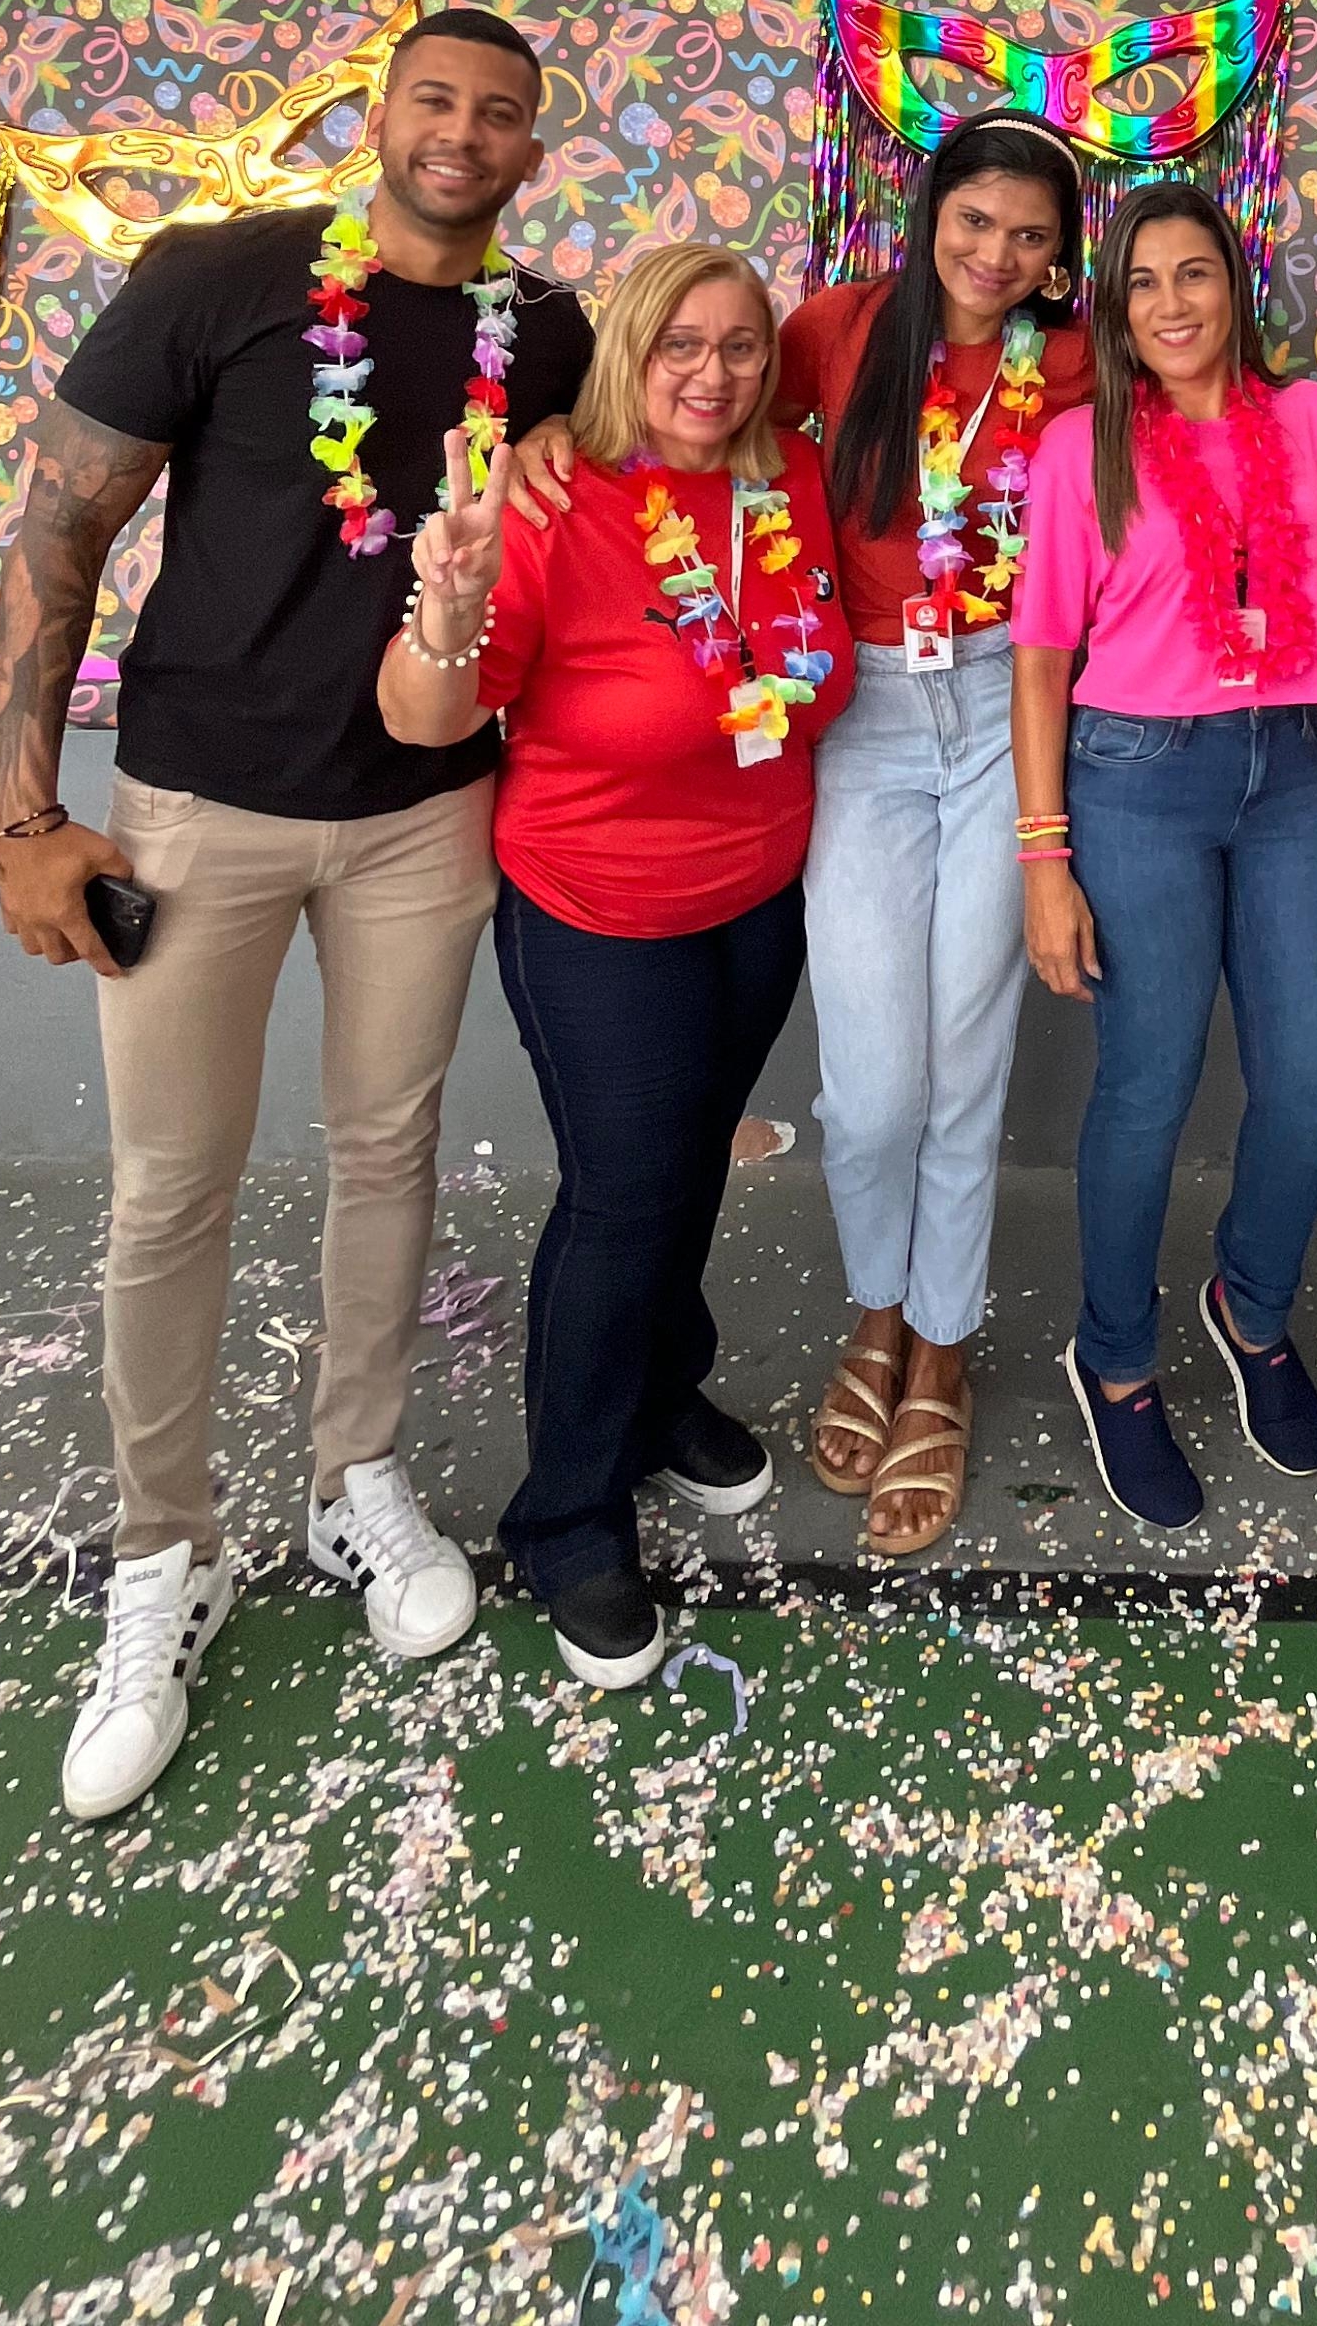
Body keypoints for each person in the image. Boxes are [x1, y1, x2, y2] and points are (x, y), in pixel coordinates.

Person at [0, 7, 596, 1822]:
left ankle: (355, 1480)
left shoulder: (549, 336)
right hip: (200, 807)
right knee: (170, 1188)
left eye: (499, 113)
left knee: (388, 1147)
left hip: (428, 811)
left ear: (532, 150)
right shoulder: (220, 278)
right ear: (381, 116)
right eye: (434, 99)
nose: (461, 133)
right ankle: (163, 1552)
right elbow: (60, 534)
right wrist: (24, 813)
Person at [380, 241, 852, 1691]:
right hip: (597, 907)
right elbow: (422, 718)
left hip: (755, 898)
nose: (712, 374)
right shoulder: (549, 501)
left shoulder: (791, 479)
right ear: (628, 355)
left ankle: (657, 1393)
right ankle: (567, 1515)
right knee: (624, 1193)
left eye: (741, 346)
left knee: (690, 1169)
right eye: (678, 347)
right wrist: (446, 607)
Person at [1011, 180, 1317, 1532]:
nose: (1173, 303)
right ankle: (1116, 1358)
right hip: (1135, 779)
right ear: (1115, 311)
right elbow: (1043, 660)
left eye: (1195, 273)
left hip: (1293, 767)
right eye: (1143, 282)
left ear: (1236, 286)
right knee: (1148, 1084)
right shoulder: (1082, 448)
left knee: (1307, 1077)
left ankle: (1253, 1304)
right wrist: (1044, 859)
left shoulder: (1313, 423)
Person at [772, 113, 1092, 1561]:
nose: (997, 256)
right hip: (864, 714)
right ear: (929, 216)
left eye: (1030, 237)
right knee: (872, 1086)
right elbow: (692, 409)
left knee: (966, 1060)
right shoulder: (838, 330)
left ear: (1060, 256)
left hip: (1010, 708)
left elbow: (1214, 395)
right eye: (975, 224)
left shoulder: (1072, 360)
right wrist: (548, 442)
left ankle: (939, 1350)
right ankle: (876, 1308)